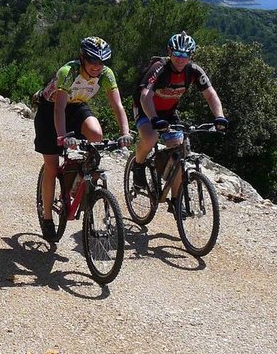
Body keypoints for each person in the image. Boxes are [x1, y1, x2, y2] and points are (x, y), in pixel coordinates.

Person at [33, 36, 133, 242]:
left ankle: (84, 186)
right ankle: (48, 218)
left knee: (96, 136)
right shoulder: (68, 72)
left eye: (101, 62)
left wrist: (125, 132)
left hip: (77, 106)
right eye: (92, 61)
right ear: (82, 58)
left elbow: (117, 106)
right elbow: (59, 107)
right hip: (50, 109)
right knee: (51, 165)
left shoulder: (106, 74)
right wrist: (62, 136)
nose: (97, 66)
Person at [130, 31, 228, 194]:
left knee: (178, 152)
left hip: (168, 112)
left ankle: (176, 200)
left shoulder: (194, 71)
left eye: (185, 54)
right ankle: (138, 165)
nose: (181, 58)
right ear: (169, 52)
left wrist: (219, 116)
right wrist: (154, 119)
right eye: (177, 53)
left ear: (191, 55)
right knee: (150, 138)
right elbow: (145, 96)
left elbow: (211, 94)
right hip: (145, 109)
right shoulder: (159, 67)